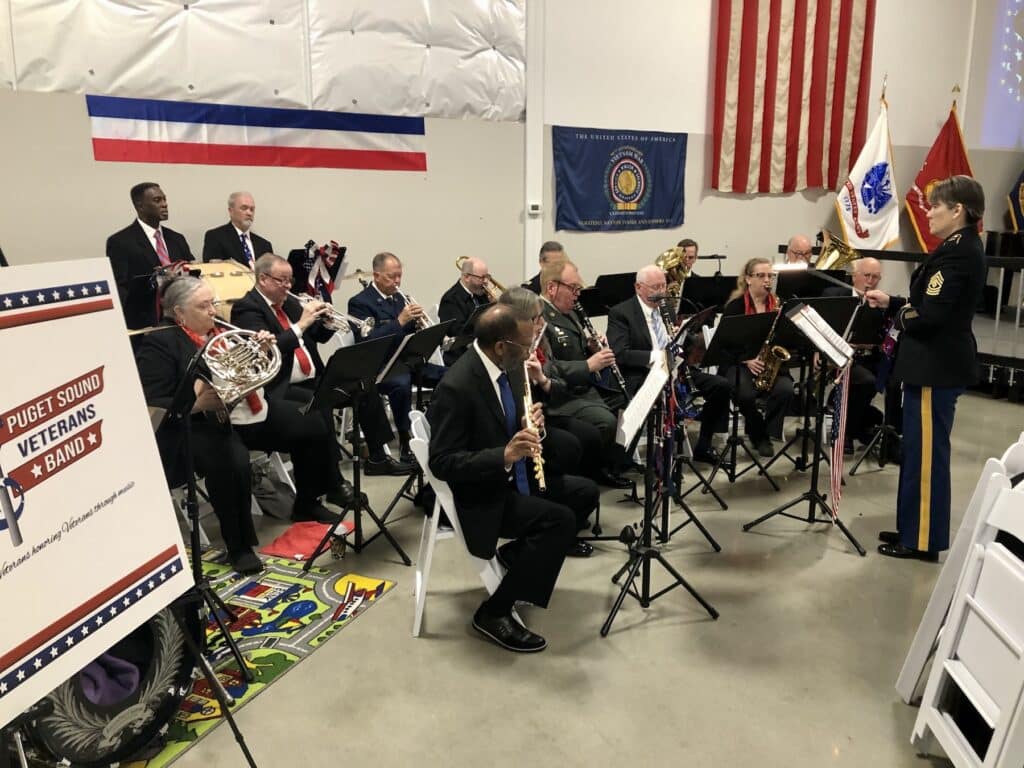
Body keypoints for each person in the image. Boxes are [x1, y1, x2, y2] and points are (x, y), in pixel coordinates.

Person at [135, 277, 353, 574]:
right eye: (204, 305)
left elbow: (251, 375)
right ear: (179, 312)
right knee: (231, 461)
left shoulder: (218, 331)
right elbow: (153, 400)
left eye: (213, 302)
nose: (214, 310)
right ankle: (239, 546)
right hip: (199, 423)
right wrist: (196, 404)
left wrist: (260, 351)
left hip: (245, 410)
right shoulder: (160, 342)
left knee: (312, 422)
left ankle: (306, 501)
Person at [428, 304, 599, 652]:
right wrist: (504, 454)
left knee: (585, 492)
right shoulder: (458, 386)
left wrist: (530, 422)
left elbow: (502, 419)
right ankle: (494, 611)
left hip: (510, 477)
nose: (530, 352)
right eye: (525, 345)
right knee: (559, 521)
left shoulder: (504, 365)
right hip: (482, 493)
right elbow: (442, 463)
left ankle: (518, 556)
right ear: (502, 346)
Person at [865, 175, 986, 561]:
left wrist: (900, 312)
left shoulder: (959, 253)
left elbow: (930, 317)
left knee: (928, 458)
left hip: (936, 367)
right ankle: (911, 526)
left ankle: (922, 540)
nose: (928, 212)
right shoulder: (955, 248)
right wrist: (895, 301)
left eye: (936, 206)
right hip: (930, 364)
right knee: (917, 452)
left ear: (958, 211)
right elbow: (929, 306)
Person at [230, 254, 410, 476]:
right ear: (263, 279)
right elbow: (270, 350)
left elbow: (318, 337)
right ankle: (331, 476)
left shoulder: (290, 304)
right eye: (282, 280)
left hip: (314, 377)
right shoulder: (246, 309)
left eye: (290, 280)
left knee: (364, 384)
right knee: (318, 404)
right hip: (282, 384)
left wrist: (326, 321)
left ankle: (378, 457)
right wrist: (303, 323)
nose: (288, 286)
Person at [607, 265, 730, 464]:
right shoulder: (621, 313)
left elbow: (678, 345)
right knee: (647, 400)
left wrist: (686, 335)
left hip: (673, 372)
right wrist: (657, 356)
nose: (661, 292)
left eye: (663, 286)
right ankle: (624, 461)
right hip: (642, 374)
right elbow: (620, 353)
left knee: (721, 387)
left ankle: (703, 446)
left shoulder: (667, 309)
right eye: (655, 287)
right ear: (639, 287)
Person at [539, 259, 631, 486]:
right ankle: (589, 470)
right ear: (552, 288)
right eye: (573, 288)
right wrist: (589, 365)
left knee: (627, 399)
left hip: (582, 387)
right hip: (562, 394)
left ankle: (609, 463)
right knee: (606, 422)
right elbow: (548, 367)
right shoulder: (539, 318)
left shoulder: (569, 312)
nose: (577, 294)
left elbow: (574, 348)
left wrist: (591, 345)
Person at [348, 251, 441, 462]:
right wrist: (400, 321)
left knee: (449, 376)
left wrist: (419, 326)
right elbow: (368, 342)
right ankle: (406, 438)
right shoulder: (360, 303)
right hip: (381, 366)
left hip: (406, 360)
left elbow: (409, 335)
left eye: (399, 275)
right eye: (392, 276)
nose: (397, 281)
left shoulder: (399, 298)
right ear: (377, 275)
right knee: (401, 384)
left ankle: (432, 428)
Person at [823, 257, 901, 454]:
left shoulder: (882, 302)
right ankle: (847, 432)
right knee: (866, 382)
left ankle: (890, 438)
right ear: (854, 276)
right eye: (867, 275)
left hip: (870, 356)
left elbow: (884, 338)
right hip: (839, 357)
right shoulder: (834, 296)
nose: (871, 281)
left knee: (895, 381)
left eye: (876, 277)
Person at [720, 257, 796, 457]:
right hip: (740, 363)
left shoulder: (778, 306)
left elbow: (786, 340)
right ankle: (758, 435)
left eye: (770, 275)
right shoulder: (735, 307)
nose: (767, 280)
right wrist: (746, 360)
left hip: (769, 364)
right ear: (748, 279)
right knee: (744, 394)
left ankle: (768, 432)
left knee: (786, 390)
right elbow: (724, 344)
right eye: (761, 275)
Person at [107, 182, 194, 330]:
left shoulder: (177, 238)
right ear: (140, 206)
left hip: (184, 317)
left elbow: (193, 271)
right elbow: (120, 288)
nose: (164, 204)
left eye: (165, 199)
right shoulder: (120, 242)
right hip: (147, 323)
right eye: (157, 200)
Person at [438, 256, 493, 365]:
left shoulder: (481, 294)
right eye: (482, 278)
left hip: (480, 348)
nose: (486, 282)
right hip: (461, 356)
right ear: (467, 277)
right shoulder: (450, 299)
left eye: (487, 277)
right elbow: (458, 333)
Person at [201, 191, 273, 268]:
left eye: (252, 209)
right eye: (244, 208)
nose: (249, 213)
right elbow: (213, 270)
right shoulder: (215, 237)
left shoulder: (265, 245)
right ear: (231, 211)